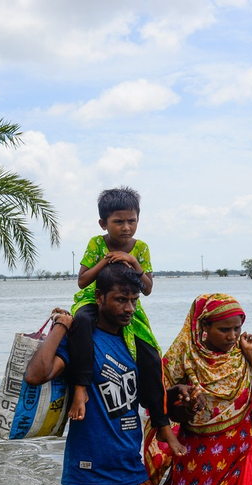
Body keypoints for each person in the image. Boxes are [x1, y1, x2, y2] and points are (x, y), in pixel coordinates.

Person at [25, 263, 162, 485]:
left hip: (129, 466)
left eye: (133, 301)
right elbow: (36, 375)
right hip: (87, 471)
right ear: (99, 297)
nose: (129, 309)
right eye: (121, 300)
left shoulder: (134, 341)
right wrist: (61, 327)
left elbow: (149, 395)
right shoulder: (81, 341)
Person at [67, 186, 185, 458]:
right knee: (82, 324)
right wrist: (106, 262)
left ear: (138, 220)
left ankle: (162, 423)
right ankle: (81, 388)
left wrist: (132, 261)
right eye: (118, 221)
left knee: (151, 355)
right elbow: (83, 281)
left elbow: (147, 289)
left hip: (130, 302)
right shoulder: (97, 244)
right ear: (103, 223)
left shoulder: (140, 248)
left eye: (131, 221)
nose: (126, 227)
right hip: (94, 299)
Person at [148, 293, 252, 485]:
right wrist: (189, 406)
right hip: (197, 455)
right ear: (204, 325)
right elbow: (164, 409)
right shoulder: (182, 358)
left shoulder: (247, 353)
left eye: (237, 329)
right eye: (224, 330)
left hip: (241, 451)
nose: (232, 336)